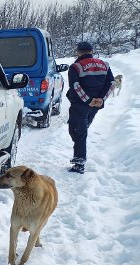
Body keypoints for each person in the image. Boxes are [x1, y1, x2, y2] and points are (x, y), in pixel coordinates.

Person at [66, 41, 114, 174]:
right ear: (92, 51)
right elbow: (111, 83)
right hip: (95, 106)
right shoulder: (104, 65)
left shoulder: (76, 66)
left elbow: (75, 86)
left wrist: (88, 100)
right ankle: (79, 157)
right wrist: (101, 99)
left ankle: (79, 163)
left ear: (79, 52)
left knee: (78, 131)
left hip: (81, 105)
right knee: (80, 129)